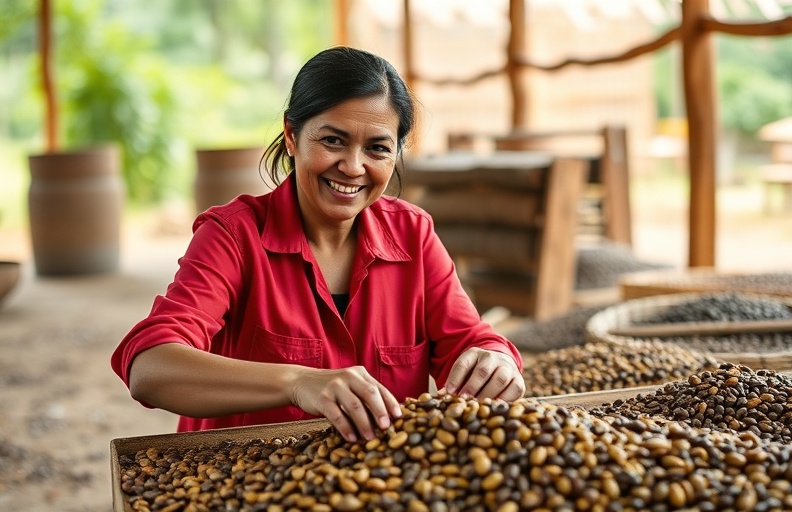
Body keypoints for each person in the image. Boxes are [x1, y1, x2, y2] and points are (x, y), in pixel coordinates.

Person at [111, 46, 524, 442]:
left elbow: (472, 342)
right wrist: (297, 382)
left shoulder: (413, 235)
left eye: (377, 148)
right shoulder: (233, 235)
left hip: (382, 484)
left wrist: (494, 360)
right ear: (292, 136)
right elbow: (150, 368)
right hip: (243, 480)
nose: (353, 166)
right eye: (332, 141)